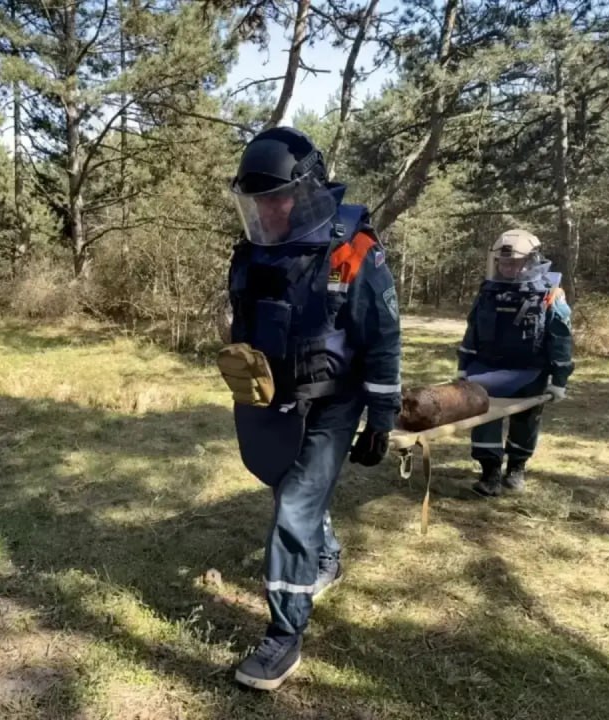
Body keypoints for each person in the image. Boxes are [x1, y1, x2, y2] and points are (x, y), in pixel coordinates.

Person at [216, 127, 402, 691]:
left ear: (306, 191)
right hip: (275, 396)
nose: (267, 211)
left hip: (334, 400)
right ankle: (327, 558)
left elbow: (383, 338)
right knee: (283, 481)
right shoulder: (251, 252)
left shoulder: (351, 249)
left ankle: (284, 636)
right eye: (256, 201)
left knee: (294, 506)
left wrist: (382, 417)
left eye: (276, 198)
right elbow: (242, 321)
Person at [456, 229, 573, 497]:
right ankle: (490, 472)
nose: (507, 268)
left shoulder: (550, 294)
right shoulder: (488, 292)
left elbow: (561, 339)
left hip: (531, 370)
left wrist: (559, 380)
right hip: (486, 370)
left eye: (514, 263)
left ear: (531, 261)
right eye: (503, 263)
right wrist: (464, 366)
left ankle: (516, 468)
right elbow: (473, 330)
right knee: (483, 417)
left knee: (526, 421)